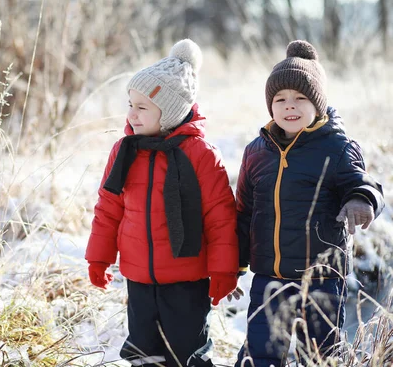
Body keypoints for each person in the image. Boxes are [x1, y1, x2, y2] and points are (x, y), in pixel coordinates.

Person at [85, 39, 240, 367]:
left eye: (142, 107)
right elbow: (108, 207)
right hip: (139, 279)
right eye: (131, 104)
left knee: (188, 354)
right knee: (143, 352)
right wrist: (98, 259)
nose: (132, 114)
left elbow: (220, 217)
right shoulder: (125, 151)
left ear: (168, 112)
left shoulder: (201, 155)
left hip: (187, 280)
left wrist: (224, 268)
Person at [235, 40, 385, 367]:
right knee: (259, 353)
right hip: (269, 278)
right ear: (270, 106)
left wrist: (361, 199)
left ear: (317, 104)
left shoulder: (335, 146)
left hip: (321, 279)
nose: (290, 105)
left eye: (301, 98)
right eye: (280, 99)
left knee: (319, 355)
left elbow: (363, 182)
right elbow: (245, 213)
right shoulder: (257, 152)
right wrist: (236, 264)